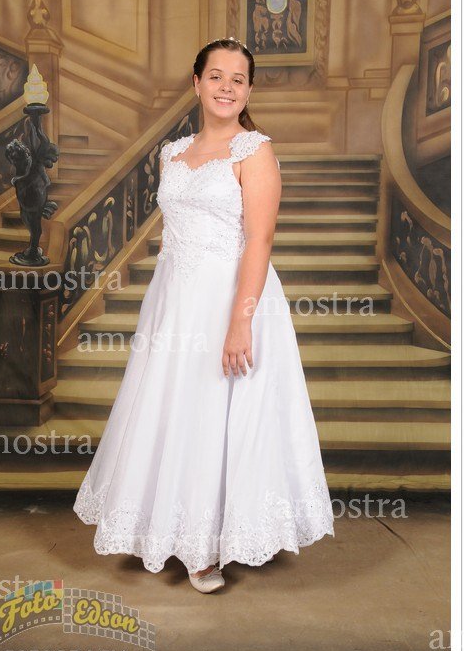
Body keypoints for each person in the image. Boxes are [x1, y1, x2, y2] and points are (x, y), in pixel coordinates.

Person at [73, 37, 335, 593]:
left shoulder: (254, 152)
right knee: (175, 409)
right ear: (196, 83)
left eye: (238, 80)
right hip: (174, 300)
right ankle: (168, 528)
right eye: (216, 76)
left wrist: (241, 321)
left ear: (248, 91)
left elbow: (259, 241)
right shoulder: (171, 153)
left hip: (232, 298)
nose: (226, 88)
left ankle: (205, 547)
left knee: (217, 411)